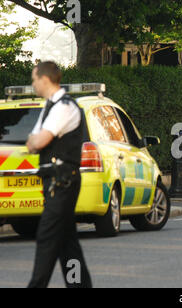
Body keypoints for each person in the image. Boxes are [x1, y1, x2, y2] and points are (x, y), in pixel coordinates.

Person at [26, 61, 92, 288]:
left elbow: (39, 141)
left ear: (45, 79)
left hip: (63, 182)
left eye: (34, 80)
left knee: (46, 237)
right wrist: (36, 140)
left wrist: (38, 140)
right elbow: (30, 144)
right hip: (54, 181)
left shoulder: (64, 107)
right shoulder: (49, 107)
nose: (33, 84)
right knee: (67, 243)